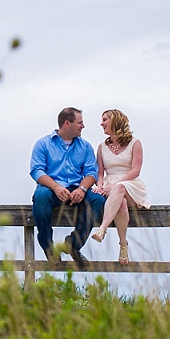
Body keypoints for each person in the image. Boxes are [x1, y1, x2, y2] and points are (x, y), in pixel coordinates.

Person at [30, 107, 106, 269]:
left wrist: (82, 189)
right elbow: (36, 171)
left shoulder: (85, 147)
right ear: (67, 123)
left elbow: (91, 172)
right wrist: (56, 187)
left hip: (77, 189)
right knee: (40, 197)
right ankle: (49, 248)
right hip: (51, 188)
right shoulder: (43, 144)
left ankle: (73, 244)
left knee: (98, 200)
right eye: (80, 123)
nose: (83, 126)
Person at [90, 109, 150, 264]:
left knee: (120, 189)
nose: (101, 123)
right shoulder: (101, 147)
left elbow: (136, 170)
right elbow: (100, 172)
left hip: (130, 184)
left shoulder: (135, 143)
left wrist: (116, 185)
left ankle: (102, 229)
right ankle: (123, 244)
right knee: (120, 203)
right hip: (110, 186)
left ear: (115, 121)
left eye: (105, 120)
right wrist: (100, 186)